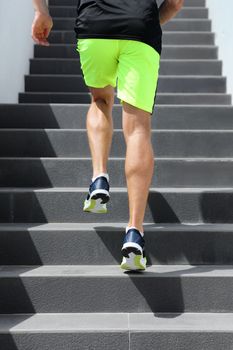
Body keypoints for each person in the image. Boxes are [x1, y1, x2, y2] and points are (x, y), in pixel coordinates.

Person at [31, 0, 184, 271]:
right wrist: (145, 24)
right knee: (137, 129)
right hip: (140, 29)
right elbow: (174, 3)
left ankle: (99, 176)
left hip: (95, 27)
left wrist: (42, 12)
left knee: (100, 101)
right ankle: (134, 231)